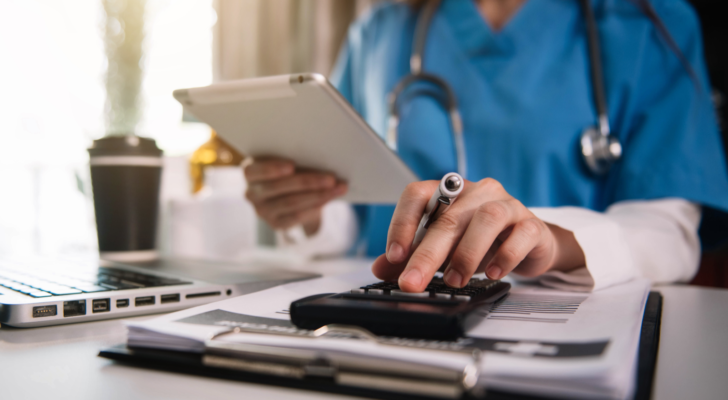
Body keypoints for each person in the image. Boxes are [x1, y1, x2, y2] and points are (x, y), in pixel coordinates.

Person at [243, 0, 728, 293]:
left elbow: (668, 234)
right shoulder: (379, 31)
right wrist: (307, 211)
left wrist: (552, 239)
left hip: (555, 321)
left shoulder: (649, 25)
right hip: (389, 315)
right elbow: (355, 209)